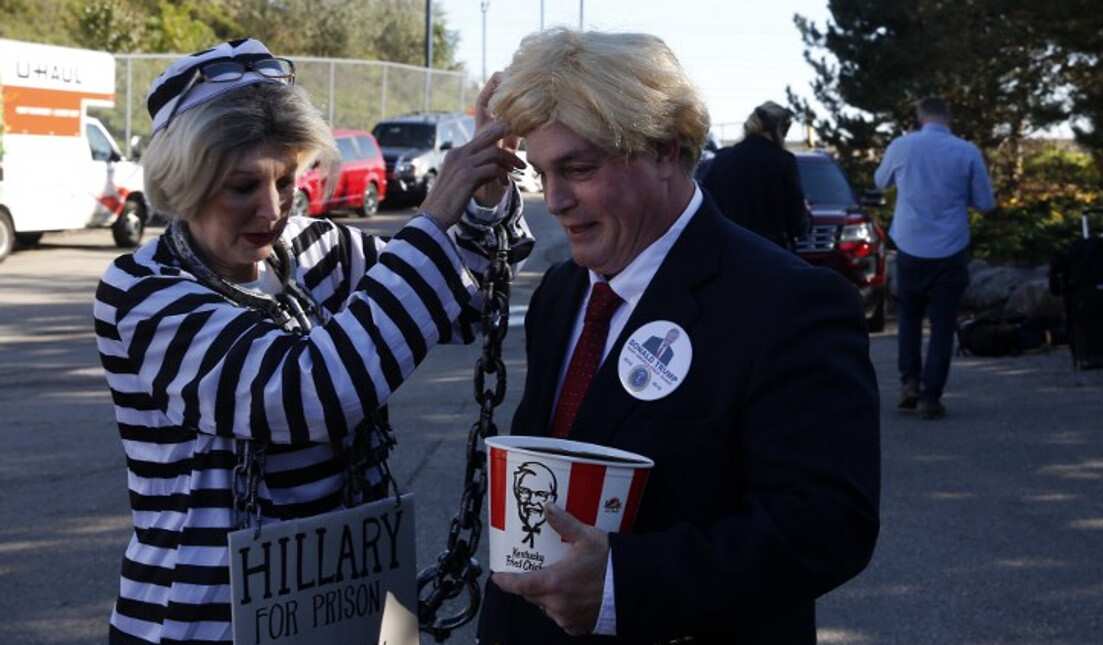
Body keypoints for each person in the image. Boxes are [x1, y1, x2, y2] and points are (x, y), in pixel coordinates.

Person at [93, 39, 530, 645]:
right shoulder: (140, 291)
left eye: (288, 178)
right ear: (184, 181)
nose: (272, 210)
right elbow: (305, 393)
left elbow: (470, 306)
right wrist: (432, 221)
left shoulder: (317, 249)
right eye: (242, 187)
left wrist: (483, 198)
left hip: (355, 597)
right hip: (204, 621)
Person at [476, 29, 881, 644]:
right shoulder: (563, 293)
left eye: (578, 169)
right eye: (541, 172)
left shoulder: (791, 303)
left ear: (664, 150)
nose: (555, 200)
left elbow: (827, 525)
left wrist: (619, 588)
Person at [874, 96, 996, 419]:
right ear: (949, 118)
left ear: (919, 117)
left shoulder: (902, 146)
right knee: (942, 325)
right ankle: (931, 396)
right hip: (951, 248)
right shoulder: (967, 151)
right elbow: (986, 203)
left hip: (910, 245)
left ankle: (909, 383)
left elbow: (879, 181)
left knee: (909, 319)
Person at [699, 100, 809, 250]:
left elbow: (707, 208)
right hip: (772, 256)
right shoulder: (783, 162)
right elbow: (797, 224)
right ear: (778, 129)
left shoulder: (722, 159)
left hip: (728, 255)